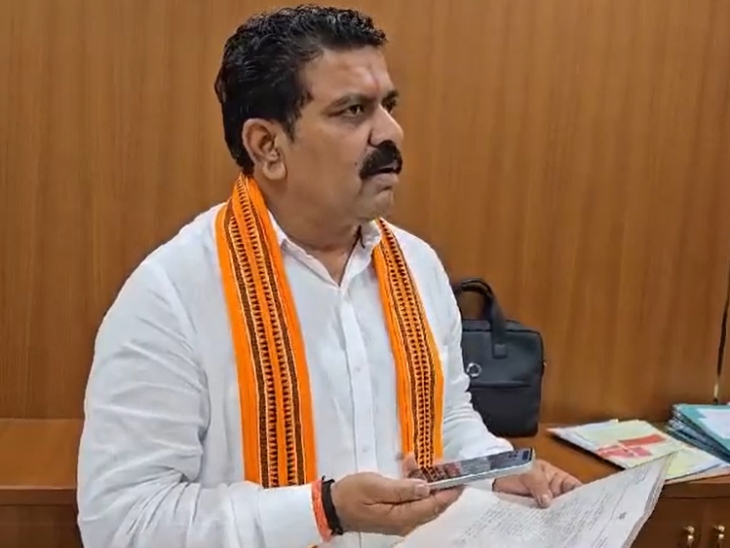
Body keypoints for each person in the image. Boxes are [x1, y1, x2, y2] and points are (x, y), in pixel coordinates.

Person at [76, 4, 580, 548]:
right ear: (268, 147)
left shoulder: (417, 266)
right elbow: (124, 523)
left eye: (388, 105)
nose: (391, 132)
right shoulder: (170, 295)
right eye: (353, 111)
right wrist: (324, 511)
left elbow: (447, 419)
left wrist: (499, 469)